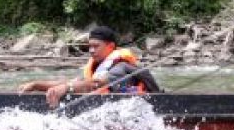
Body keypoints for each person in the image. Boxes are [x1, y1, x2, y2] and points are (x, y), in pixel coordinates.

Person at [18, 26, 160, 107]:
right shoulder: (96, 67)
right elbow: (74, 82)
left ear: (110, 46)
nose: (91, 50)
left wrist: (66, 89)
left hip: (145, 107)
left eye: (96, 46)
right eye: (89, 47)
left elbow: (96, 84)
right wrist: (37, 85)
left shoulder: (122, 66)